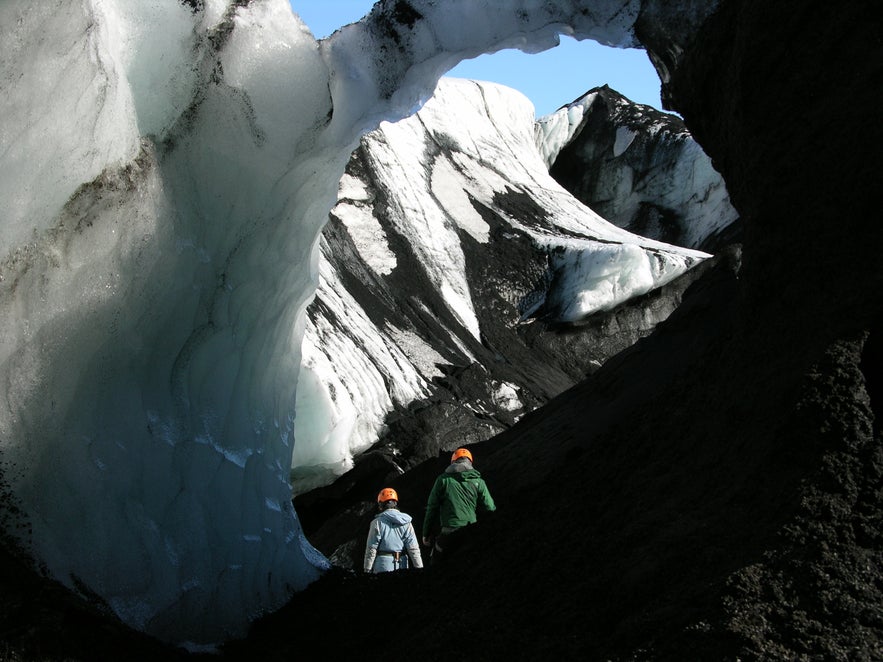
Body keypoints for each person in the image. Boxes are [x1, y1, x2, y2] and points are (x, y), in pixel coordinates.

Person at [421, 448, 496, 562]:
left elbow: (432, 508)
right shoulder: (479, 482)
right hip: (471, 531)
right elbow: (490, 508)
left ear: (453, 462)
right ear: (470, 461)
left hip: (448, 533)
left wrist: (426, 534)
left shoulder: (443, 480)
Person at [363, 487, 423, 573]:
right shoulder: (406, 522)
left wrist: (367, 569)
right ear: (395, 503)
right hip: (402, 566)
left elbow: (371, 549)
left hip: (382, 567)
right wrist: (420, 568)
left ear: (381, 504)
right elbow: (413, 549)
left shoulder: (377, 523)